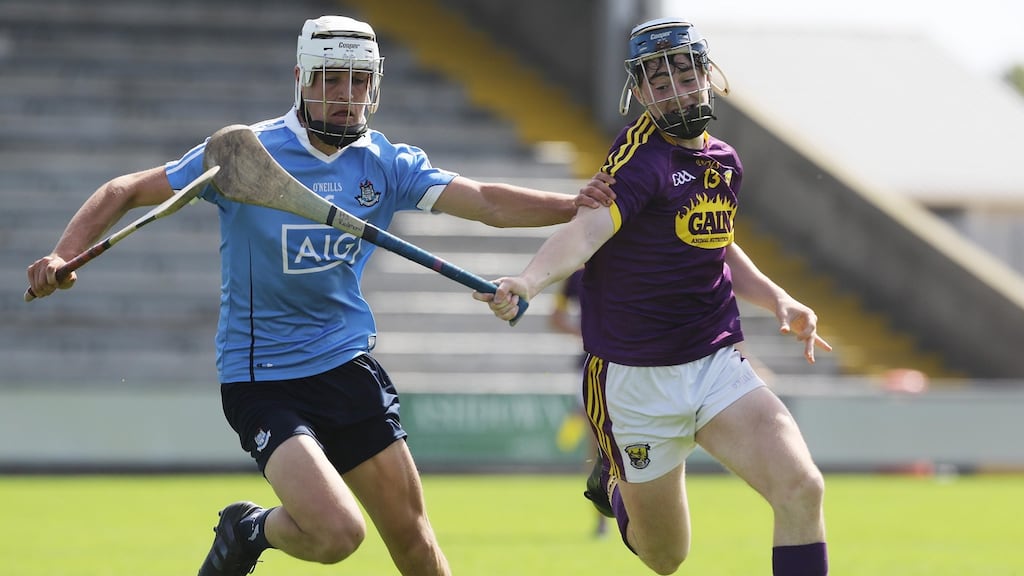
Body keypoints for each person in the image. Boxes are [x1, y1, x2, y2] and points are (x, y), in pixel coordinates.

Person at [25, 15, 613, 576]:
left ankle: (254, 530)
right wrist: (62, 252)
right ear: (302, 81)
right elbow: (125, 189)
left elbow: (484, 200)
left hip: (345, 366)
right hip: (261, 378)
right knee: (337, 534)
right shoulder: (242, 154)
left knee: (413, 539)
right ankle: (251, 530)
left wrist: (573, 205)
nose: (346, 95)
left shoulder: (384, 163)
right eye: (332, 79)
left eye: (359, 81)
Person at [475, 17, 831, 576]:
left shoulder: (724, 161)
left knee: (802, 488)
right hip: (636, 379)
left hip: (716, 363)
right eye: (658, 84)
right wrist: (530, 279)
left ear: (706, 77)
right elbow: (585, 231)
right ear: (639, 93)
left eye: (684, 76)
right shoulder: (641, 158)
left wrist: (780, 300)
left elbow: (717, 242)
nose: (675, 92)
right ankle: (614, 484)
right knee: (666, 557)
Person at [548, 269, 608, 538]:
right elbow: (556, 317)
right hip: (592, 363)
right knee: (596, 442)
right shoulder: (576, 276)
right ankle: (602, 516)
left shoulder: (630, 260)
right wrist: (585, 335)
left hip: (633, 359)